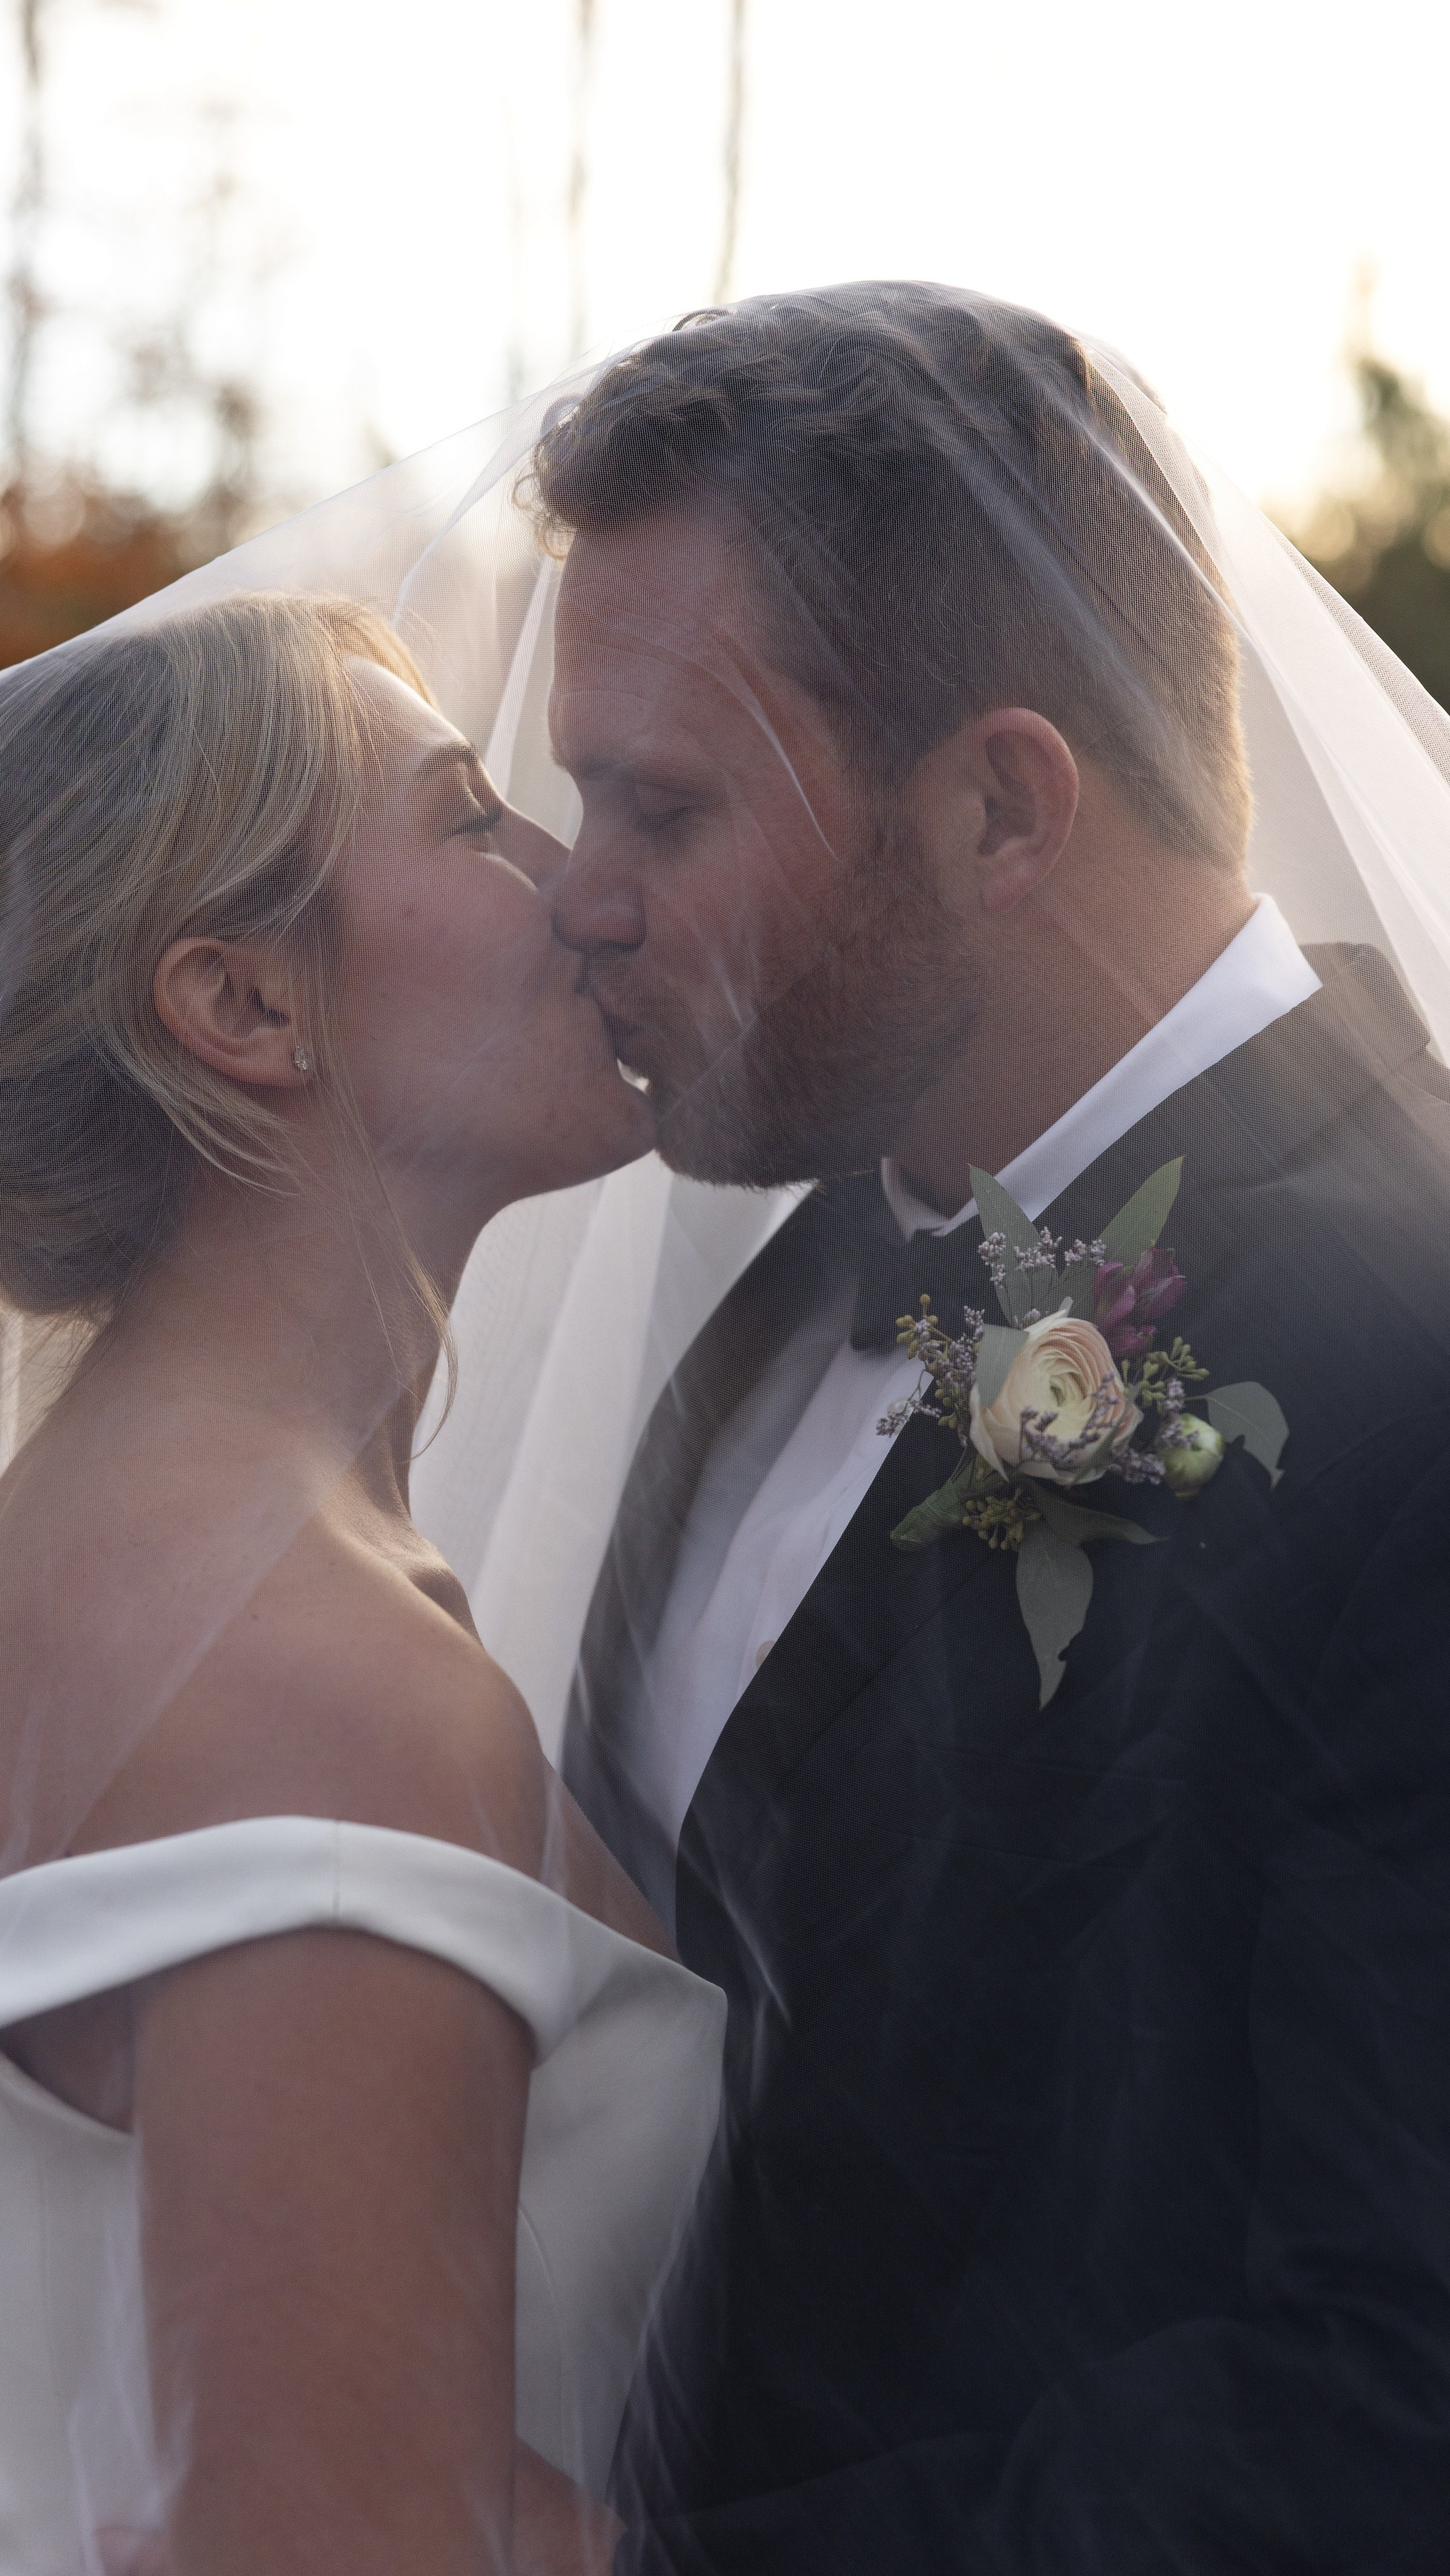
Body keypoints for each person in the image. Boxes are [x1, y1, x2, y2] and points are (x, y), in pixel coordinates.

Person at [540, 285, 1450, 2570]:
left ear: (1003, 807)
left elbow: (1389, 2403)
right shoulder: (780, 1294)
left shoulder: (1416, 1361)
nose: (580, 896)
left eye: (661, 802)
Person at [0, 591, 725, 2576]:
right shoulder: (301, 1669)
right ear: (245, 1010)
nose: (588, 885)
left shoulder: (151, 1532)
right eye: (476, 820)